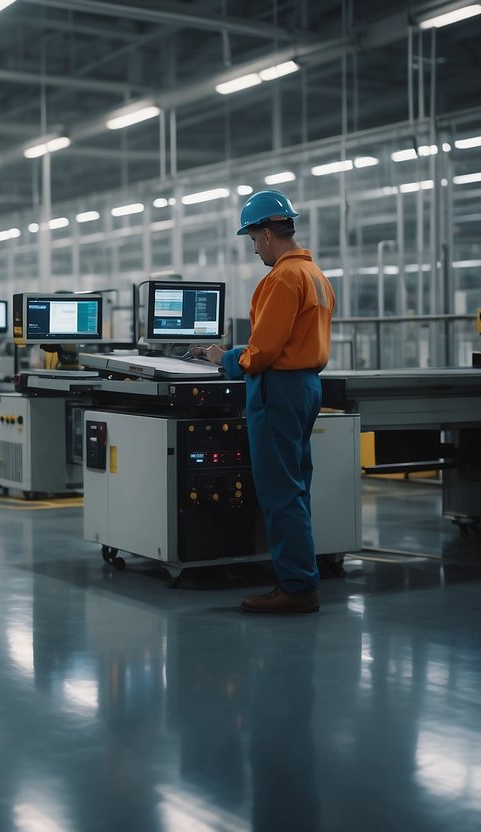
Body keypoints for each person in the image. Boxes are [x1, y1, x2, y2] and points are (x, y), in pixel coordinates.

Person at [192, 189, 335, 614]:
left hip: (279, 389)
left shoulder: (282, 278)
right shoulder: (316, 276)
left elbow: (264, 351)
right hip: (307, 387)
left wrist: (226, 358)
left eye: (254, 240)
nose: (255, 248)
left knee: (279, 492)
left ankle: (296, 586)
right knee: (295, 487)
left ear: (268, 234)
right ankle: (301, 575)